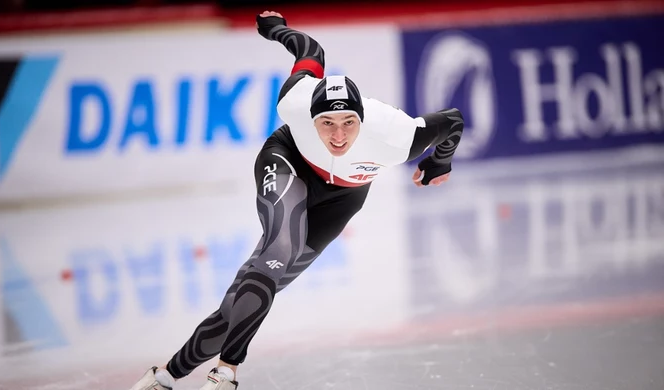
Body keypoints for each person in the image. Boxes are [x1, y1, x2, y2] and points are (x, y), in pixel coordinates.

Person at [129, 10, 464, 390]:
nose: (338, 136)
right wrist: (277, 29)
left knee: (240, 303)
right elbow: (310, 51)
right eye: (327, 124)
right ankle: (227, 371)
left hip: (344, 198)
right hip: (288, 162)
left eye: (348, 123)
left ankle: (165, 377)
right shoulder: (295, 100)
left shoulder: (397, 134)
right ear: (311, 117)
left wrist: (439, 161)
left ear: (363, 119)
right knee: (276, 252)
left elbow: (452, 121)